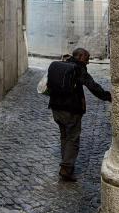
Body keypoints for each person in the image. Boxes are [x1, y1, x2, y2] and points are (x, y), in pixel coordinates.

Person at [47, 47, 112, 182]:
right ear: (81, 57)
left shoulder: (62, 64)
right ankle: (66, 168)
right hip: (71, 110)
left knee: (64, 136)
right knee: (73, 138)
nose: (88, 62)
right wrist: (108, 96)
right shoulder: (78, 68)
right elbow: (92, 86)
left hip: (55, 108)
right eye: (87, 59)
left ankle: (66, 163)